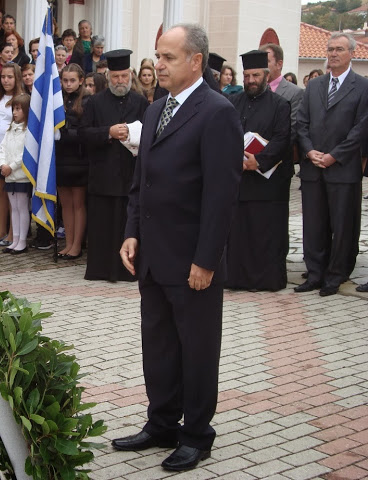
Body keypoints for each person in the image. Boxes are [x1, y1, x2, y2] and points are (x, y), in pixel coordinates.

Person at [115, 24, 242, 472]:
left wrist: (206, 259)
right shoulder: (154, 111)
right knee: (160, 345)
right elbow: (141, 182)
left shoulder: (218, 112)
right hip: (153, 256)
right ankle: (162, 422)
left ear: (195, 61)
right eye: (156, 56)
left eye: (167, 57)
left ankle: (196, 434)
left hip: (192, 261)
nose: (157, 65)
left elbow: (221, 196)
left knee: (197, 349)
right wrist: (132, 232)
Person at [295, 33, 368, 296]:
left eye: (339, 49)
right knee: (314, 225)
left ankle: (335, 276)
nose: (333, 53)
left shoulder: (362, 86)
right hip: (314, 167)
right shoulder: (315, 86)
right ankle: (314, 273)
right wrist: (310, 150)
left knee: (342, 225)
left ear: (352, 53)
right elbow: (301, 122)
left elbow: (361, 129)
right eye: (330, 49)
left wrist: (334, 155)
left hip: (342, 169)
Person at [225, 50, 292, 291]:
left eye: (255, 75)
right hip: (239, 181)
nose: (251, 80)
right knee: (239, 234)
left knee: (263, 235)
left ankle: (265, 281)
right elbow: (224, 136)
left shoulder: (280, 105)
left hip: (267, 185)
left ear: (266, 75)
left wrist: (259, 161)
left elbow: (283, 139)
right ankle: (235, 279)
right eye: (246, 75)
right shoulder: (233, 102)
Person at [80, 49, 149, 282]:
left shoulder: (141, 103)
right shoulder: (94, 103)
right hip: (103, 174)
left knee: (128, 224)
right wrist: (107, 132)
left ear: (130, 75)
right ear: (108, 77)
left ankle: (128, 270)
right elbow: (83, 134)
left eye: (124, 76)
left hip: (130, 174)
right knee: (102, 225)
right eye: (115, 77)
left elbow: (149, 135)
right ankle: (100, 269)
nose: (120, 81)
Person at [0, 63, 24, 245]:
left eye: (10, 77)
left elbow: (16, 127)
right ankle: (0, 230)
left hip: (10, 154)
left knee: (11, 194)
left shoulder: (21, 99)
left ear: (16, 78)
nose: (6, 80)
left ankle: (12, 233)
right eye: (3, 77)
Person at [56, 64, 89, 260]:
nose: (68, 84)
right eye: (65, 80)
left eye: (72, 80)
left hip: (79, 158)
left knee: (78, 203)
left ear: (81, 80)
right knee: (65, 203)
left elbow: (87, 131)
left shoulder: (87, 100)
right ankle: (68, 243)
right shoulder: (57, 98)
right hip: (61, 157)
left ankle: (77, 245)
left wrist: (66, 134)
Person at [0, 93, 31, 254]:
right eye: (14, 109)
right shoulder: (10, 129)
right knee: (14, 208)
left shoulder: (28, 131)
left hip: (21, 175)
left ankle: (22, 241)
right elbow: (2, 148)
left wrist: (11, 166)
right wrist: (3, 164)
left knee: (22, 207)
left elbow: (24, 154)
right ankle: (15, 239)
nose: (15, 113)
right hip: (9, 174)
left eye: (18, 109)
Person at [261, 43, 303, 147]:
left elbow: (292, 129)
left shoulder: (295, 92)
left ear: (279, 64)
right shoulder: (255, 89)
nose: (262, 66)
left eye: (266, 62)